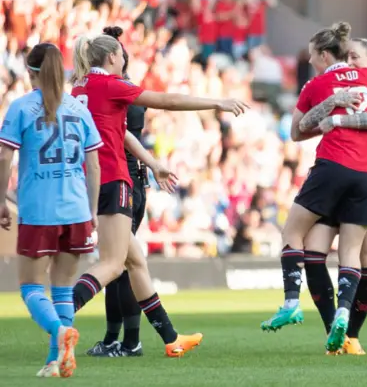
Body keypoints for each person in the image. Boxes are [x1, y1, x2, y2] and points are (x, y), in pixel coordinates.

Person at [69, 32, 248, 357]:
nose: (125, 60)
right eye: (122, 55)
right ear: (112, 58)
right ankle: (61, 315)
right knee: (112, 264)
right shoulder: (111, 85)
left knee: (134, 260)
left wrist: (152, 163)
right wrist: (216, 102)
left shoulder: (80, 88)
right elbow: (168, 101)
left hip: (89, 180)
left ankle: (170, 337)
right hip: (113, 178)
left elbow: (117, 133)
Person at [260, 22, 367, 353]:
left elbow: (298, 131)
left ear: (323, 54)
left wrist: (332, 112)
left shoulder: (316, 84)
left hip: (333, 168)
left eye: (311, 56)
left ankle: (292, 301)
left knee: (293, 232)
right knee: (349, 253)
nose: (309, 61)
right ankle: (342, 318)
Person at [0, 43, 102, 378]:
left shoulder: (21, 108)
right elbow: (94, 163)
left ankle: (59, 334)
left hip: (39, 209)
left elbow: (4, 156)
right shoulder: (78, 108)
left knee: (30, 287)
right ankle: (56, 361)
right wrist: (91, 211)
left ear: (30, 72)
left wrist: (1, 199)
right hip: (76, 209)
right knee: (62, 288)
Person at [298, 37, 367, 355]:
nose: (351, 63)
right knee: (313, 252)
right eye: (348, 56)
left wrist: (338, 118)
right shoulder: (333, 88)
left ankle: (353, 335)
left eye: (357, 57)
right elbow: (302, 126)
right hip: (333, 175)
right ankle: (334, 331)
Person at [85, 26, 161, 357]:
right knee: (122, 263)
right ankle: (121, 339)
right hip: (130, 179)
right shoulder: (123, 89)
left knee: (118, 264)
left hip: (121, 180)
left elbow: (123, 135)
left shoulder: (118, 91)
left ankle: (126, 340)